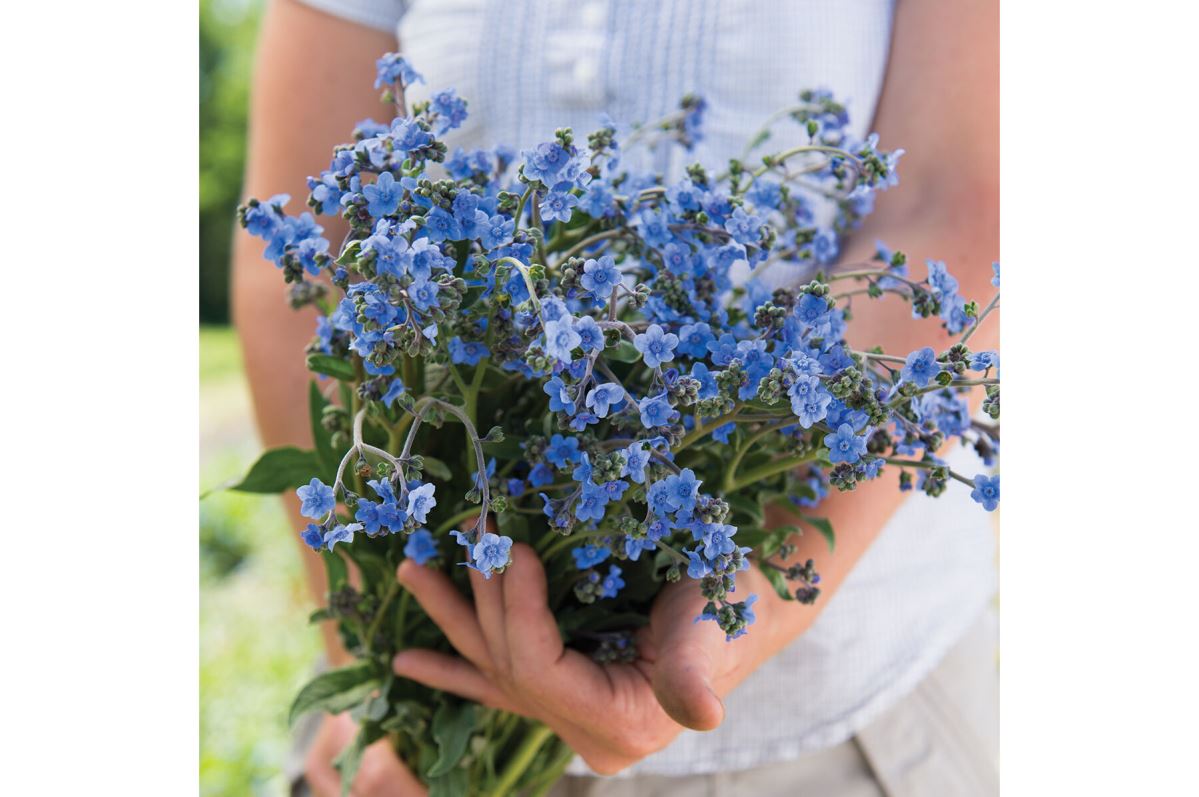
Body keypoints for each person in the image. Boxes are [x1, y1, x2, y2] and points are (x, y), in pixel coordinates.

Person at [232, 1, 999, 794]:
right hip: (420, 725)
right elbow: (305, 244)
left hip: (841, 713)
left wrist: (744, 612)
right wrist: (372, 676)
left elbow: (958, 205)